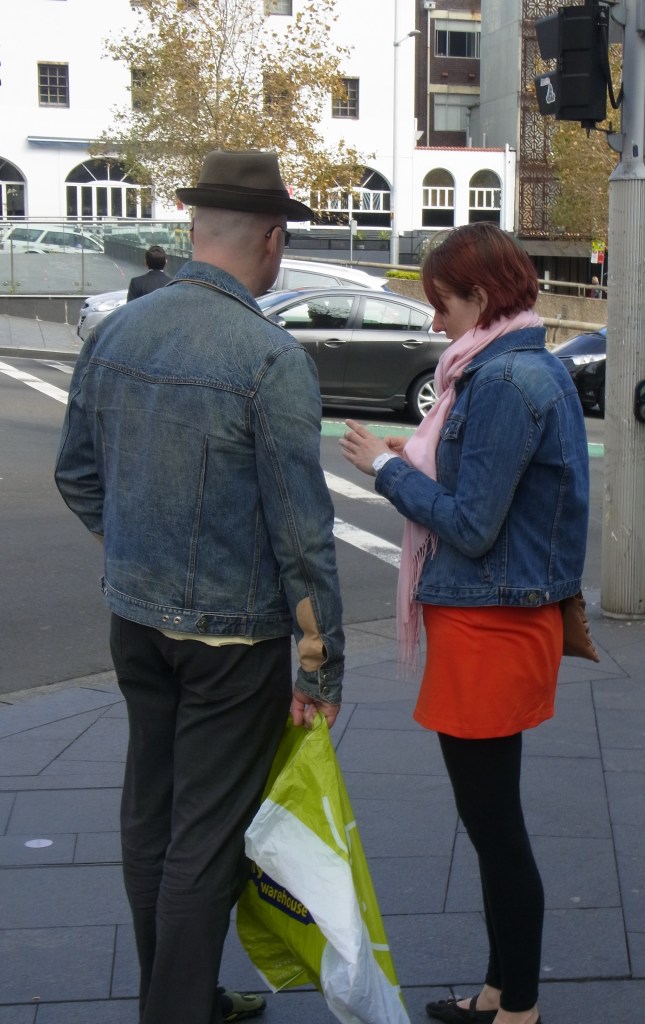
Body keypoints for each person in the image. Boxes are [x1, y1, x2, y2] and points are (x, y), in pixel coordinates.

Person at [55, 150, 344, 1024]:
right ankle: (176, 1011)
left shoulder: (116, 332)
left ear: (192, 229)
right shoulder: (269, 356)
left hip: (136, 622)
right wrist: (320, 666)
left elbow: (76, 475)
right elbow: (302, 533)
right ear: (273, 239)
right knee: (205, 838)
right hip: (233, 639)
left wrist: (135, 549)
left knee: (151, 815)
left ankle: (173, 994)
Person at [340, 222, 590, 1024]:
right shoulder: (521, 372)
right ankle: (498, 990)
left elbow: (472, 525)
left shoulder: (502, 385)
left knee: (495, 828)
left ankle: (516, 1008)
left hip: (492, 625)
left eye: (442, 303)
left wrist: (384, 472)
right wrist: (407, 461)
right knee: (491, 826)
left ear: (481, 297)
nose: (435, 322)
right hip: (496, 620)